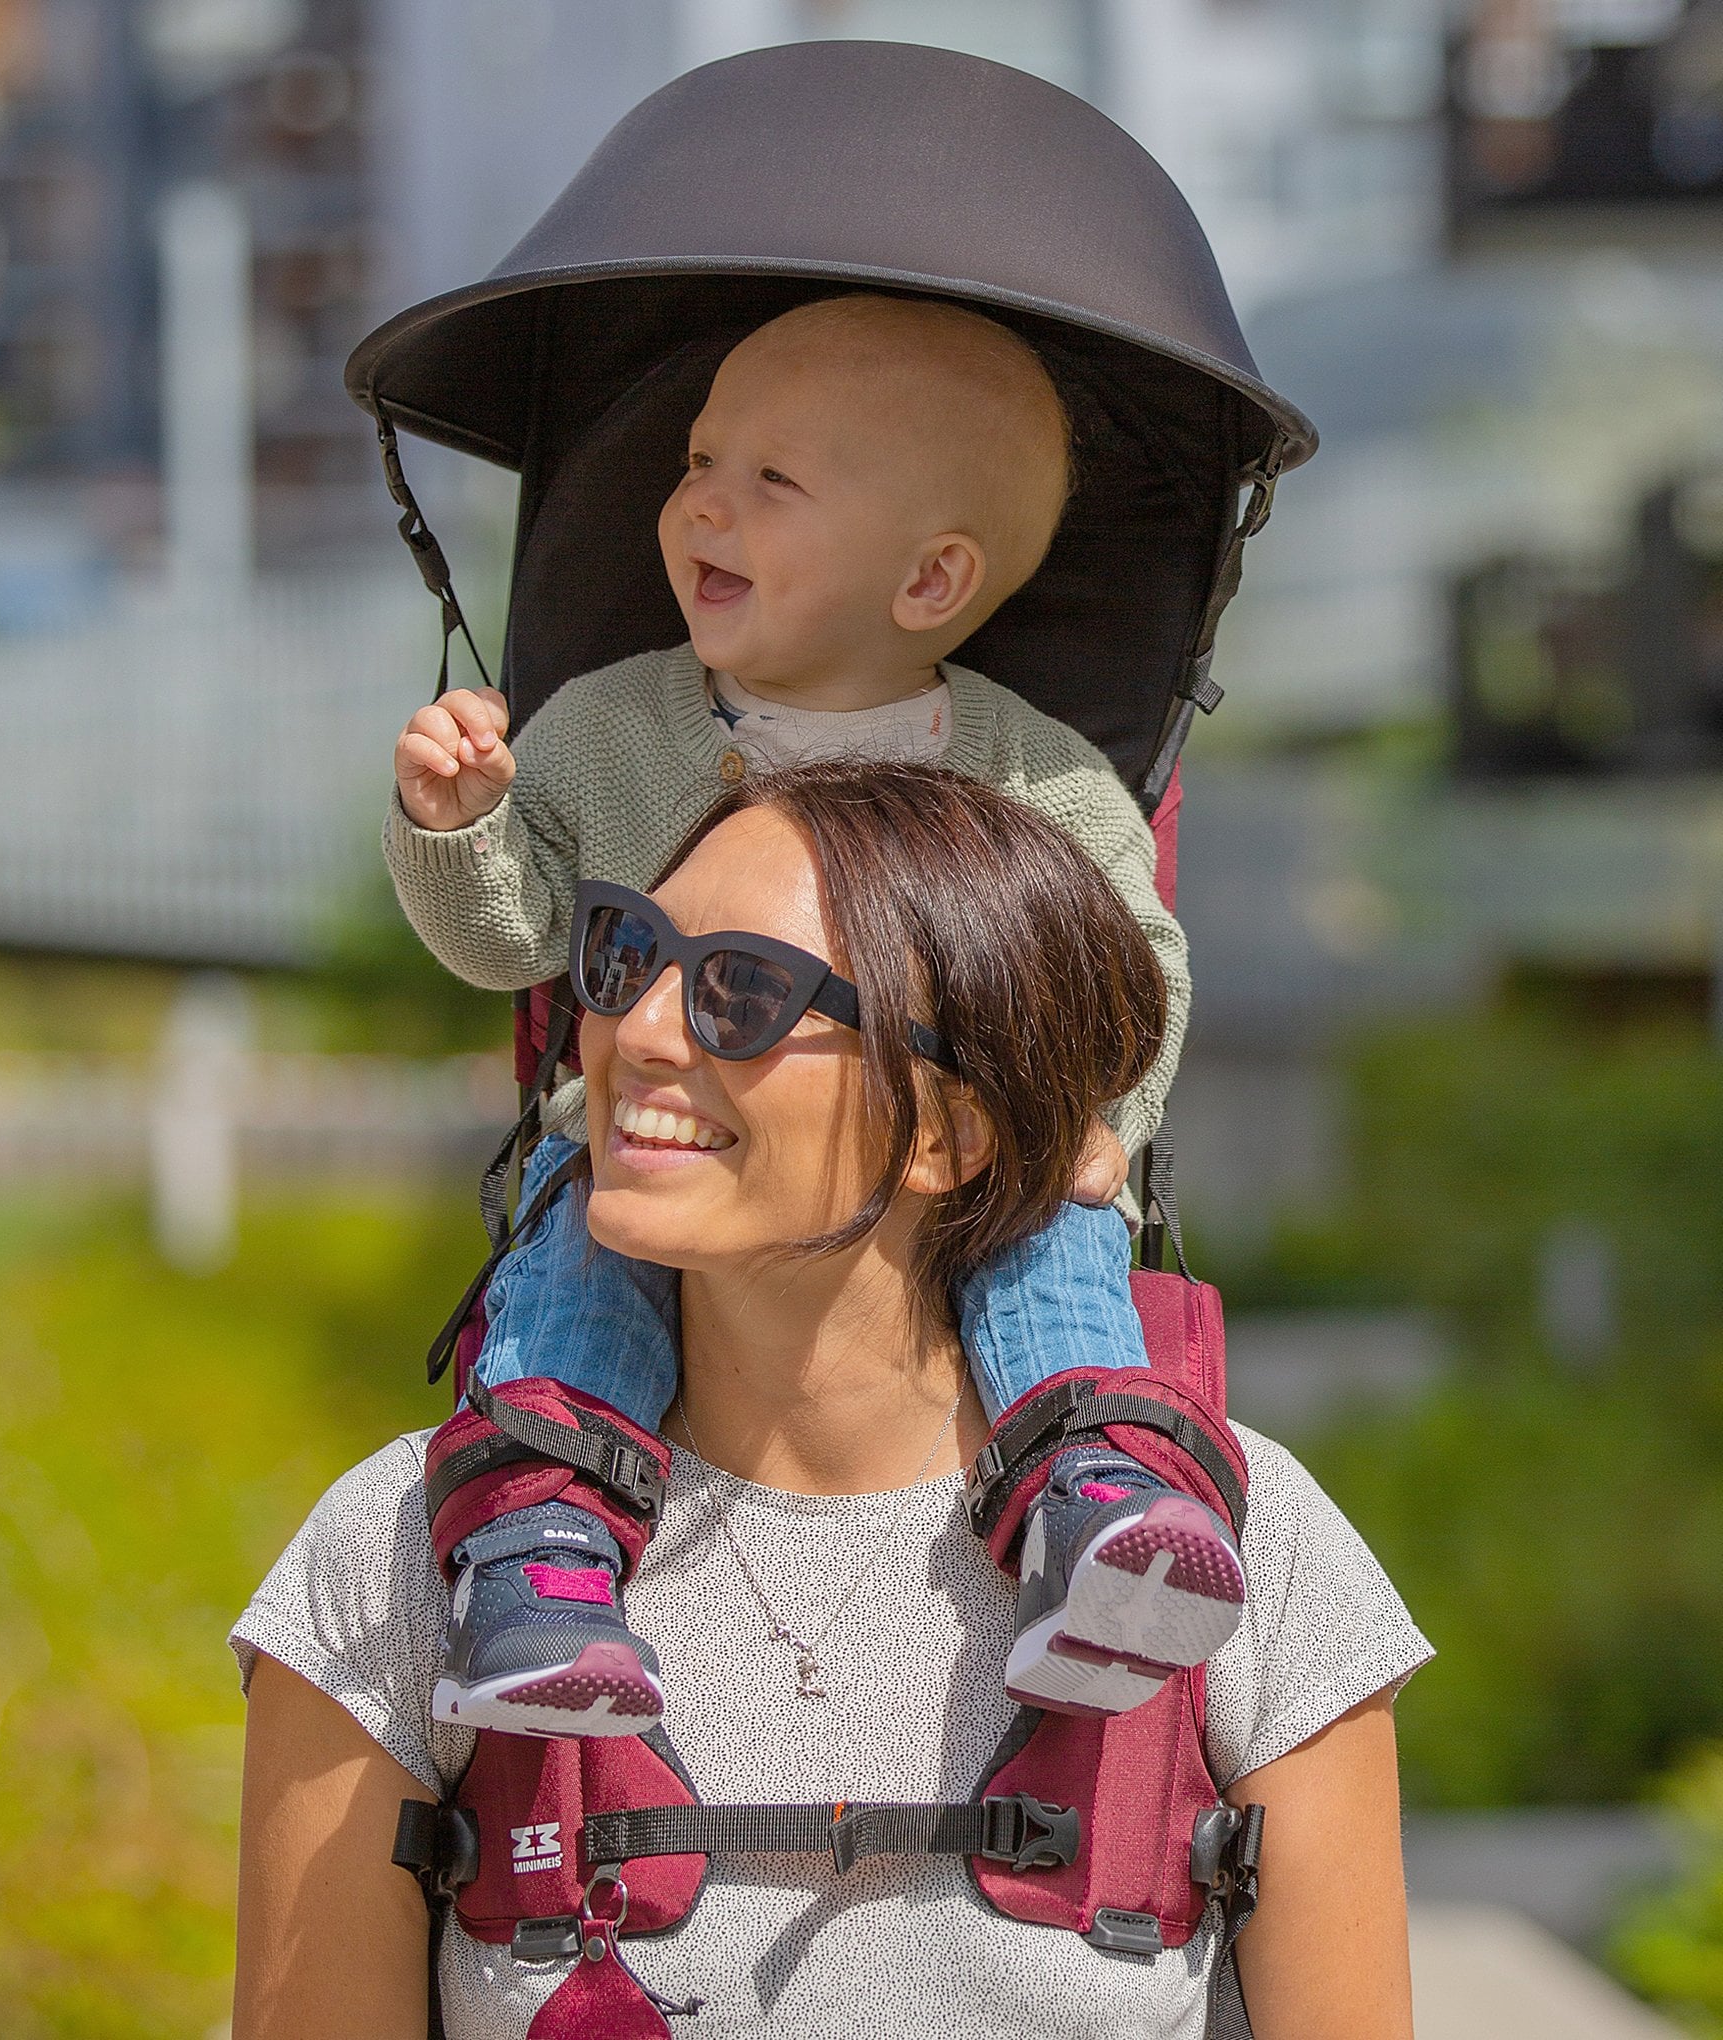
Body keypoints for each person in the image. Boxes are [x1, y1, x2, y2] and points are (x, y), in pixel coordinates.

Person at [233, 763, 1429, 2040]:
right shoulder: (410, 1557)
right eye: (626, 954)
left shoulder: (1229, 1548)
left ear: (948, 1133)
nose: (635, 1032)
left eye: (740, 991)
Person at [380, 292, 1230, 1737]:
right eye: (700, 461)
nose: (702, 501)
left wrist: (1104, 1123)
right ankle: (540, 1555)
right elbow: (512, 939)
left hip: (972, 1149)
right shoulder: (611, 727)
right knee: (578, 1261)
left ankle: (1095, 1506)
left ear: (929, 577)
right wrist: (457, 825)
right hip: (643, 1148)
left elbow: (1131, 969)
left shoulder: (1039, 776)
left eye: (770, 481)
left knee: (1057, 1242)